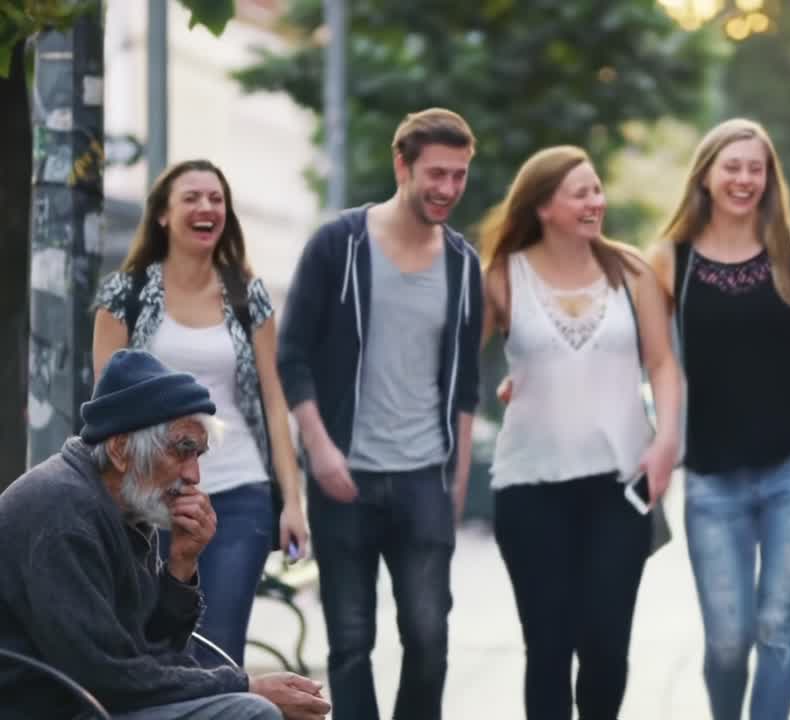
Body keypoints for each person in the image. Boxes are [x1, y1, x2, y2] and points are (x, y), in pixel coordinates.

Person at [276, 107, 485, 720]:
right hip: (344, 477)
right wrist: (320, 448)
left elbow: (466, 387)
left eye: (460, 176)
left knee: (428, 638)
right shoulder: (337, 246)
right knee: (349, 642)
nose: (448, 189)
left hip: (424, 475)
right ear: (403, 165)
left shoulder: (464, 265)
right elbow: (292, 356)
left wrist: (456, 487)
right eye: (437, 174)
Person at [0, 350, 330, 720]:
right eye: (182, 451)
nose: (194, 476)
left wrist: (182, 566)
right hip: (54, 707)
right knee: (251, 713)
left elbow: (155, 652)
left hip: (95, 702)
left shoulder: (128, 505)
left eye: (198, 455)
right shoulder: (62, 513)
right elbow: (106, 677)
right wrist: (244, 685)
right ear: (122, 449)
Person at [480, 145, 682, 720]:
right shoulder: (500, 277)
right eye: (581, 192)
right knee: (547, 647)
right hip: (528, 485)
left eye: (598, 190)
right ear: (543, 206)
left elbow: (663, 363)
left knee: (606, 646)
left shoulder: (632, 271)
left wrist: (665, 440)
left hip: (619, 486)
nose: (597, 202)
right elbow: (458, 365)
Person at [647, 118, 790, 720]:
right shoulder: (669, 259)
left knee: (778, 630)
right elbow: (652, 355)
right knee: (728, 643)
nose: (745, 179)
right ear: (705, 172)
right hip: (711, 474)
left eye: (757, 168)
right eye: (733, 166)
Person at [91, 159, 309, 666]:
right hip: (147, 500)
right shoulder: (124, 296)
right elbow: (107, 410)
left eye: (216, 198)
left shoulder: (247, 296)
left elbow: (275, 403)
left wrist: (294, 503)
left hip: (238, 495)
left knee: (218, 648)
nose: (206, 207)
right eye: (191, 197)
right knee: (152, 646)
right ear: (164, 215)